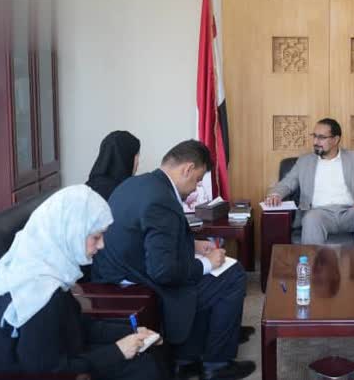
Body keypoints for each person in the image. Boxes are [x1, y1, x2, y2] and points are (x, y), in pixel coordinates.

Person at [91, 140, 254, 380]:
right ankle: (217, 364)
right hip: (137, 281)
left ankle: (188, 358)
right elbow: (164, 272)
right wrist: (207, 263)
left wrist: (193, 245)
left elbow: (144, 236)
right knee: (233, 275)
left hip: (117, 270)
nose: (195, 188)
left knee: (210, 276)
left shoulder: (136, 183)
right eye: (197, 180)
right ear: (187, 169)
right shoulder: (161, 200)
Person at [0, 185, 165, 380]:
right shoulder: (37, 294)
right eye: (96, 237)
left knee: (146, 359)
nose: (102, 245)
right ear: (71, 233)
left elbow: (77, 326)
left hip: (57, 356)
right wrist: (118, 351)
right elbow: (49, 372)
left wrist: (132, 331)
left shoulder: (48, 269)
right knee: (143, 369)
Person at [264, 117, 354, 244]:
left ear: (336, 139)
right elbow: (287, 183)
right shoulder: (304, 161)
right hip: (318, 214)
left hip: (350, 212)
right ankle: (312, 258)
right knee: (311, 219)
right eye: (314, 136)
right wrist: (276, 195)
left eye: (321, 137)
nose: (315, 141)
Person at [86, 130, 141, 201]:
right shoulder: (126, 195)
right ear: (126, 157)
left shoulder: (86, 189)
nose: (138, 163)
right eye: (137, 156)